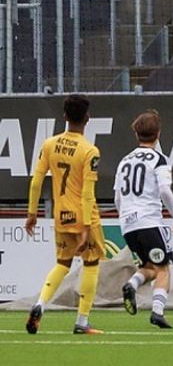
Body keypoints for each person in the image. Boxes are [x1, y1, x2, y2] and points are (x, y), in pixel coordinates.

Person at [25, 94, 105, 335]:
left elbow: (37, 181)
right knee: (91, 263)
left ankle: (40, 304)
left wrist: (32, 212)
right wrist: (87, 225)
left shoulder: (49, 144)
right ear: (87, 119)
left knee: (62, 263)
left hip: (61, 216)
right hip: (83, 216)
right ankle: (82, 321)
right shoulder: (90, 151)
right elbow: (88, 193)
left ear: (64, 117)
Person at [114, 110, 173, 329]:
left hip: (127, 223)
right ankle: (157, 312)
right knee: (163, 269)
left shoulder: (124, 160)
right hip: (149, 221)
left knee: (149, 268)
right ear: (158, 134)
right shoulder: (159, 159)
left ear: (136, 134)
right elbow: (164, 190)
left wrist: (124, 217)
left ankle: (131, 284)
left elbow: (117, 197)